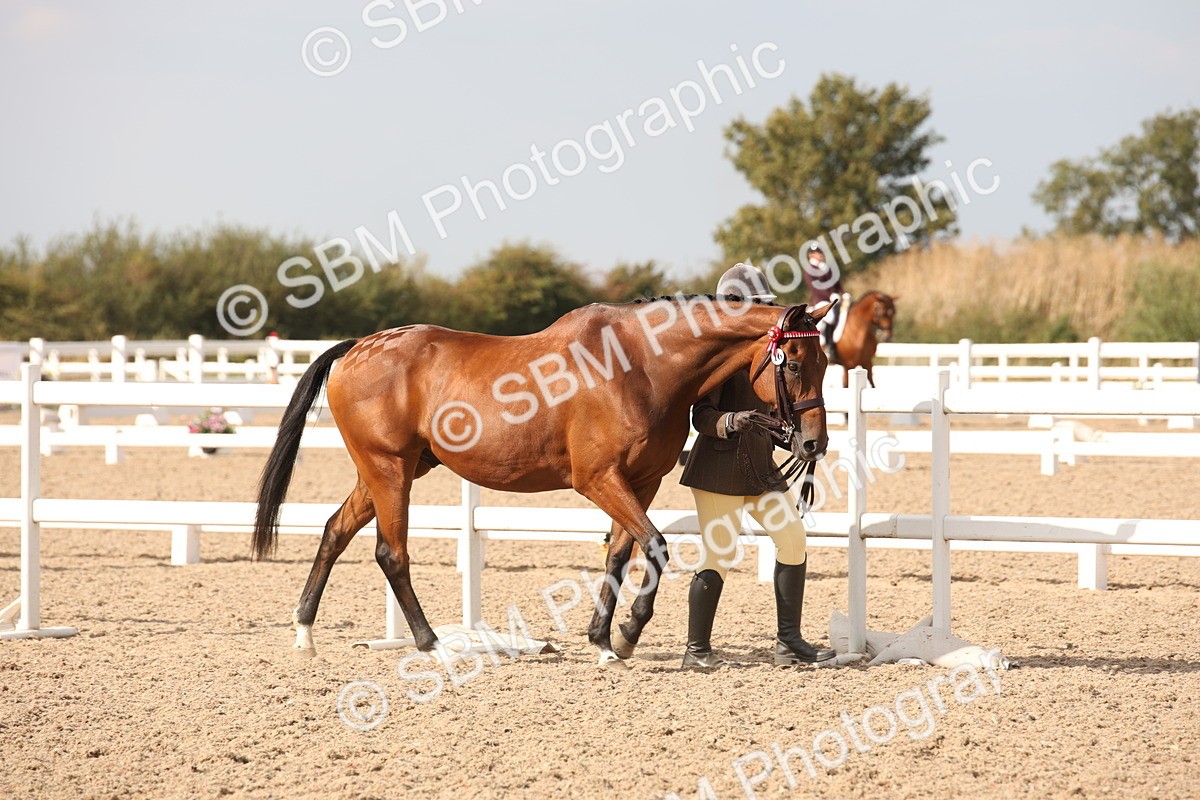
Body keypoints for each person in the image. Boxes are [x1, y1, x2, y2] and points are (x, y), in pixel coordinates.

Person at [677, 263, 835, 669]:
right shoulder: (718, 358)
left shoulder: (772, 361)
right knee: (719, 554)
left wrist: (792, 438)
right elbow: (701, 417)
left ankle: (789, 642)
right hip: (717, 470)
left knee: (793, 539)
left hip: (761, 468)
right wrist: (732, 421)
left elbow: (780, 409)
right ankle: (696, 652)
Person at [800, 244, 845, 364]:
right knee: (829, 317)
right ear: (811, 255)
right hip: (821, 300)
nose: (820, 255)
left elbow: (837, 284)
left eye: (821, 252)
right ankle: (829, 346)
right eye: (817, 253)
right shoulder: (810, 270)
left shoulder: (827, 268)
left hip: (835, 299)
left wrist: (842, 293)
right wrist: (829, 296)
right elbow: (815, 288)